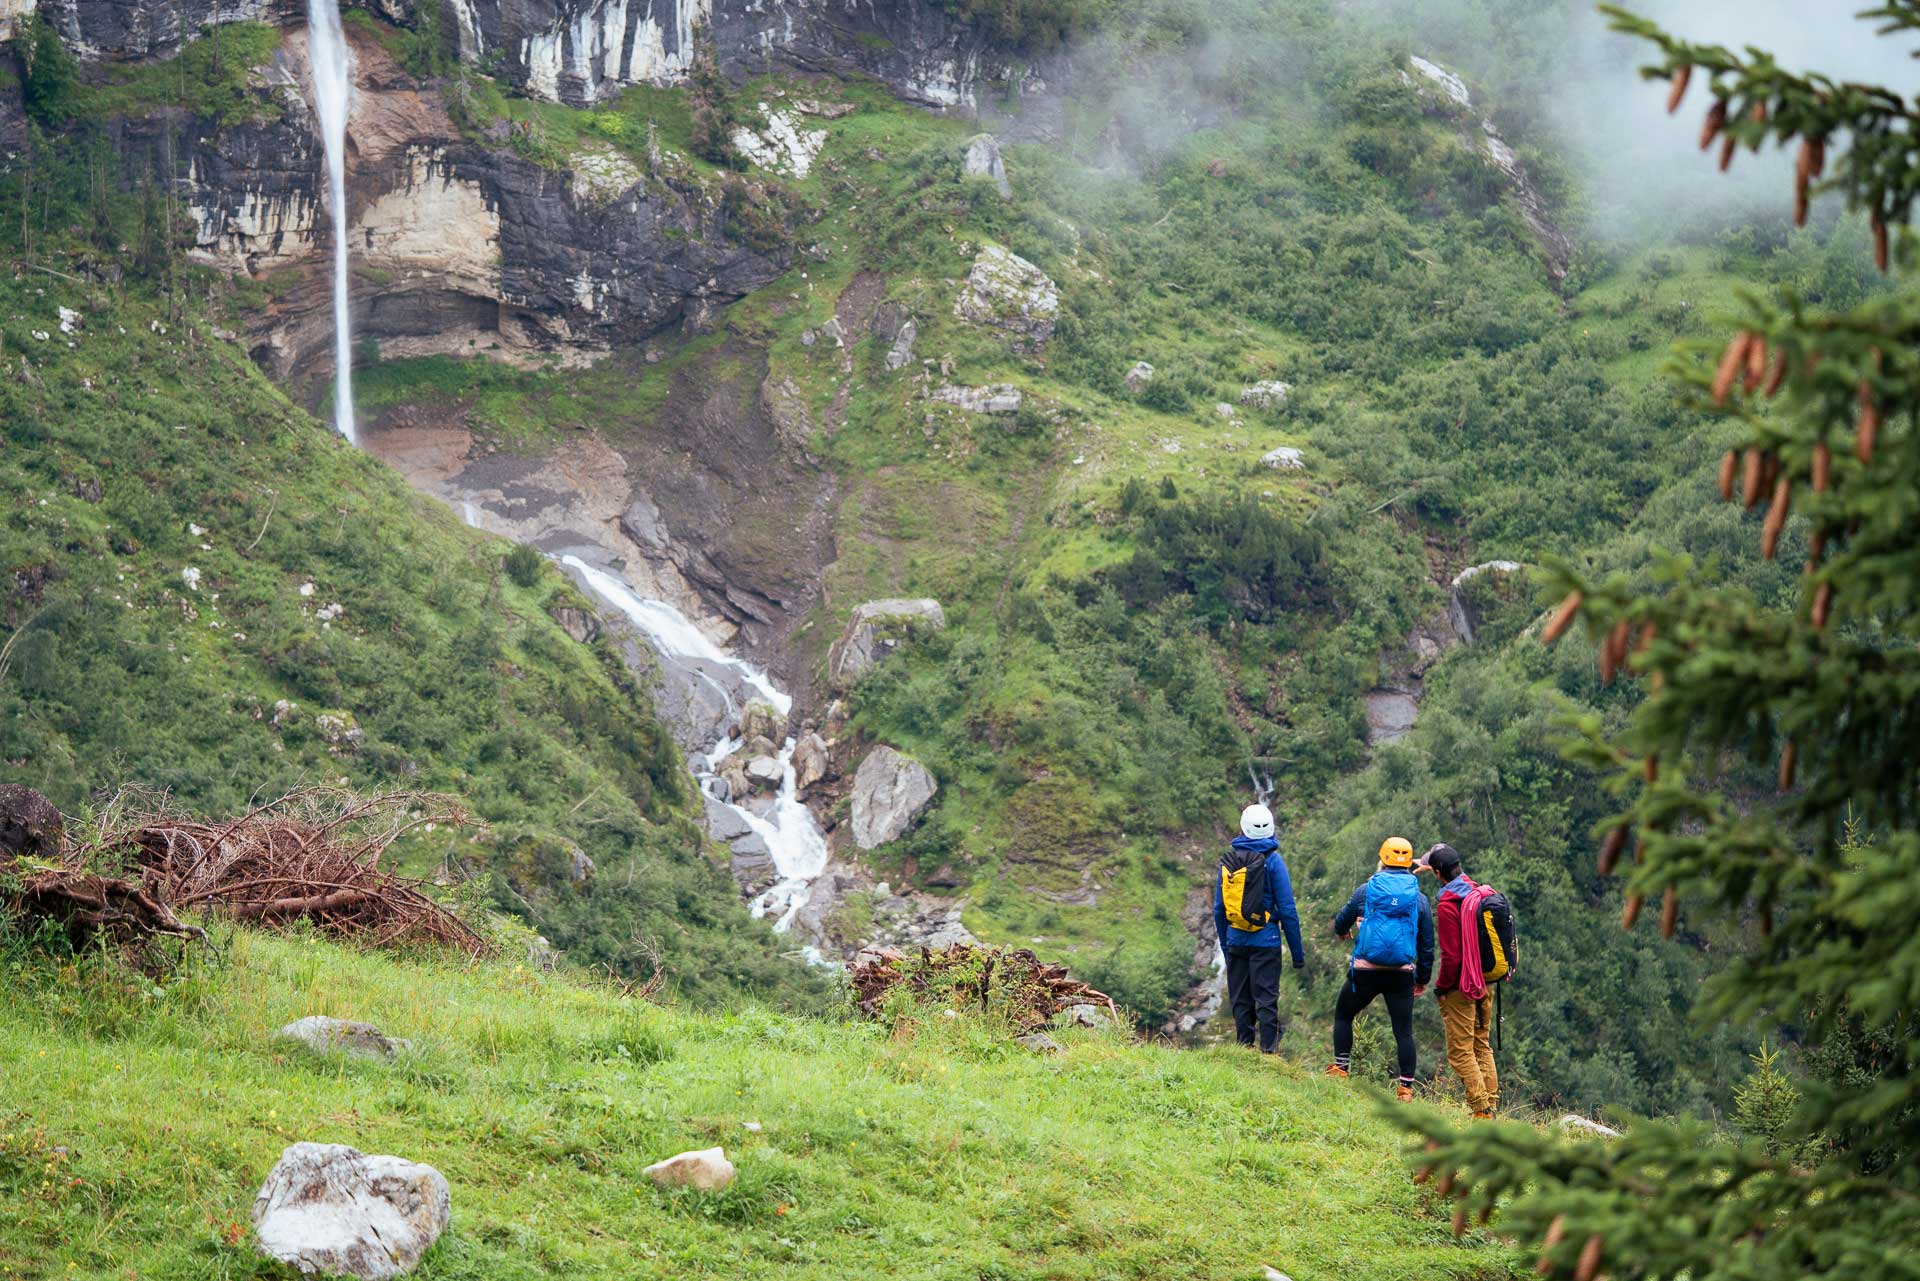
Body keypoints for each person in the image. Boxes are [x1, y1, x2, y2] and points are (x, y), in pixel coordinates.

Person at [1325, 836, 1433, 1101]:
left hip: (1365, 970)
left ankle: (1340, 1068)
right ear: (1410, 863)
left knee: (1343, 1014)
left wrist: (1342, 932)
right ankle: (1405, 1087)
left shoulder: (1367, 890)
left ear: (1382, 859)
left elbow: (1342, 919)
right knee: (1403, 1031)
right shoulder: (1419, 899)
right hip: (1401, 973)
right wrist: (1422, 978)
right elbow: (1426, 943)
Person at [1212, 802, 1306, 1053]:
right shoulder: (1273, 862)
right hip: (1266, 942)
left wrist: (1225, 944)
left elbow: (1219, 909)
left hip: (1236, 941)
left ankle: (1243, 1049)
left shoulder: (1229, 862)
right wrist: (1297, 954)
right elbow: (1287, 910)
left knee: (1240, 999)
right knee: (1266, 999)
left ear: (1243, 828)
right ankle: (1268, 1053)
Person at [1422, 842, 1500, 1118]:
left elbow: (1452, 957)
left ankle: (1481, 1110)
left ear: (1438, 872)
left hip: (1461, 987)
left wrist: (1442, 987)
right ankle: (1490, 1105)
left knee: (1460, 1052)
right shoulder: (1476, 891)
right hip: (1486, 982)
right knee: (1481, 1044)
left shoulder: (1447, 905)